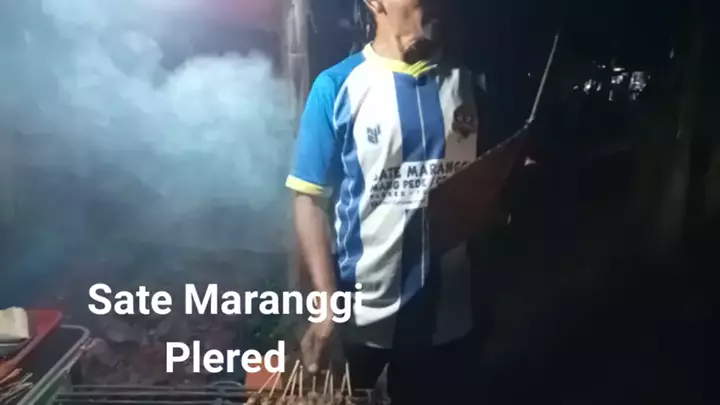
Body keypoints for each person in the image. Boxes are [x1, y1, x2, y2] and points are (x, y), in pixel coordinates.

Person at [285, 0, 485, 403]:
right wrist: (325, 303)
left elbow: (488, 174)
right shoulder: (336, 86)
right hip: (361, 315)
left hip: (447, 313)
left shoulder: (469, 84)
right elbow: (309, 198)